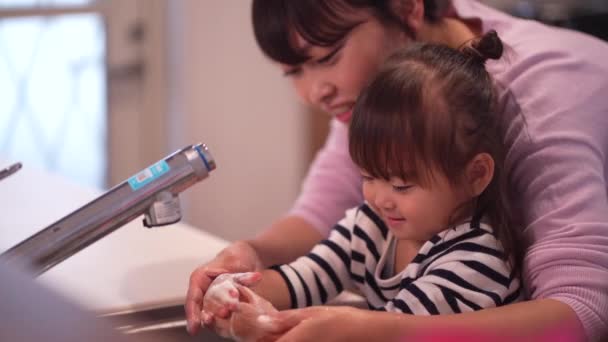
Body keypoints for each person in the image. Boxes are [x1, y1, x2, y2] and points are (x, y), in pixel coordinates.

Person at [186, 0, 608, 340]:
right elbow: (319, 214)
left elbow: (582, 311)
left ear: (407, 8)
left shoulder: (536, 104)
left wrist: (378, 329)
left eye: (328, 57)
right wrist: (250, 258)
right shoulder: (391, 99)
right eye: (293, 70)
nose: (313, 93)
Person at [200, 32, 524, 341]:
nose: (380, 198)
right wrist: (233, 292)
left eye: (402, 185)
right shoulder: (369, 226)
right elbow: (302, 278)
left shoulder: (475, 264)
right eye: (369, 177)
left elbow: (380, 334)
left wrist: (264, 324)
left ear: (475, 175)